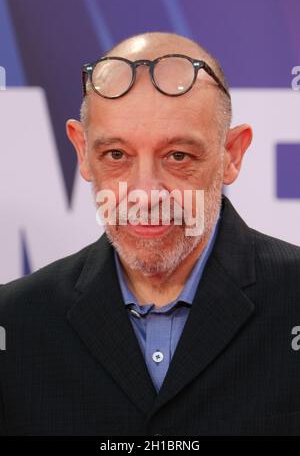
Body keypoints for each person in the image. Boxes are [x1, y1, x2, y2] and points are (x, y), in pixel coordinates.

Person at [0, 32, 300, 436]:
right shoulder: (15, 323)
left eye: (178, 156)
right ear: (83, 151)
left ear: (232, 154)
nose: (144, 193)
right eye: (117, 155)